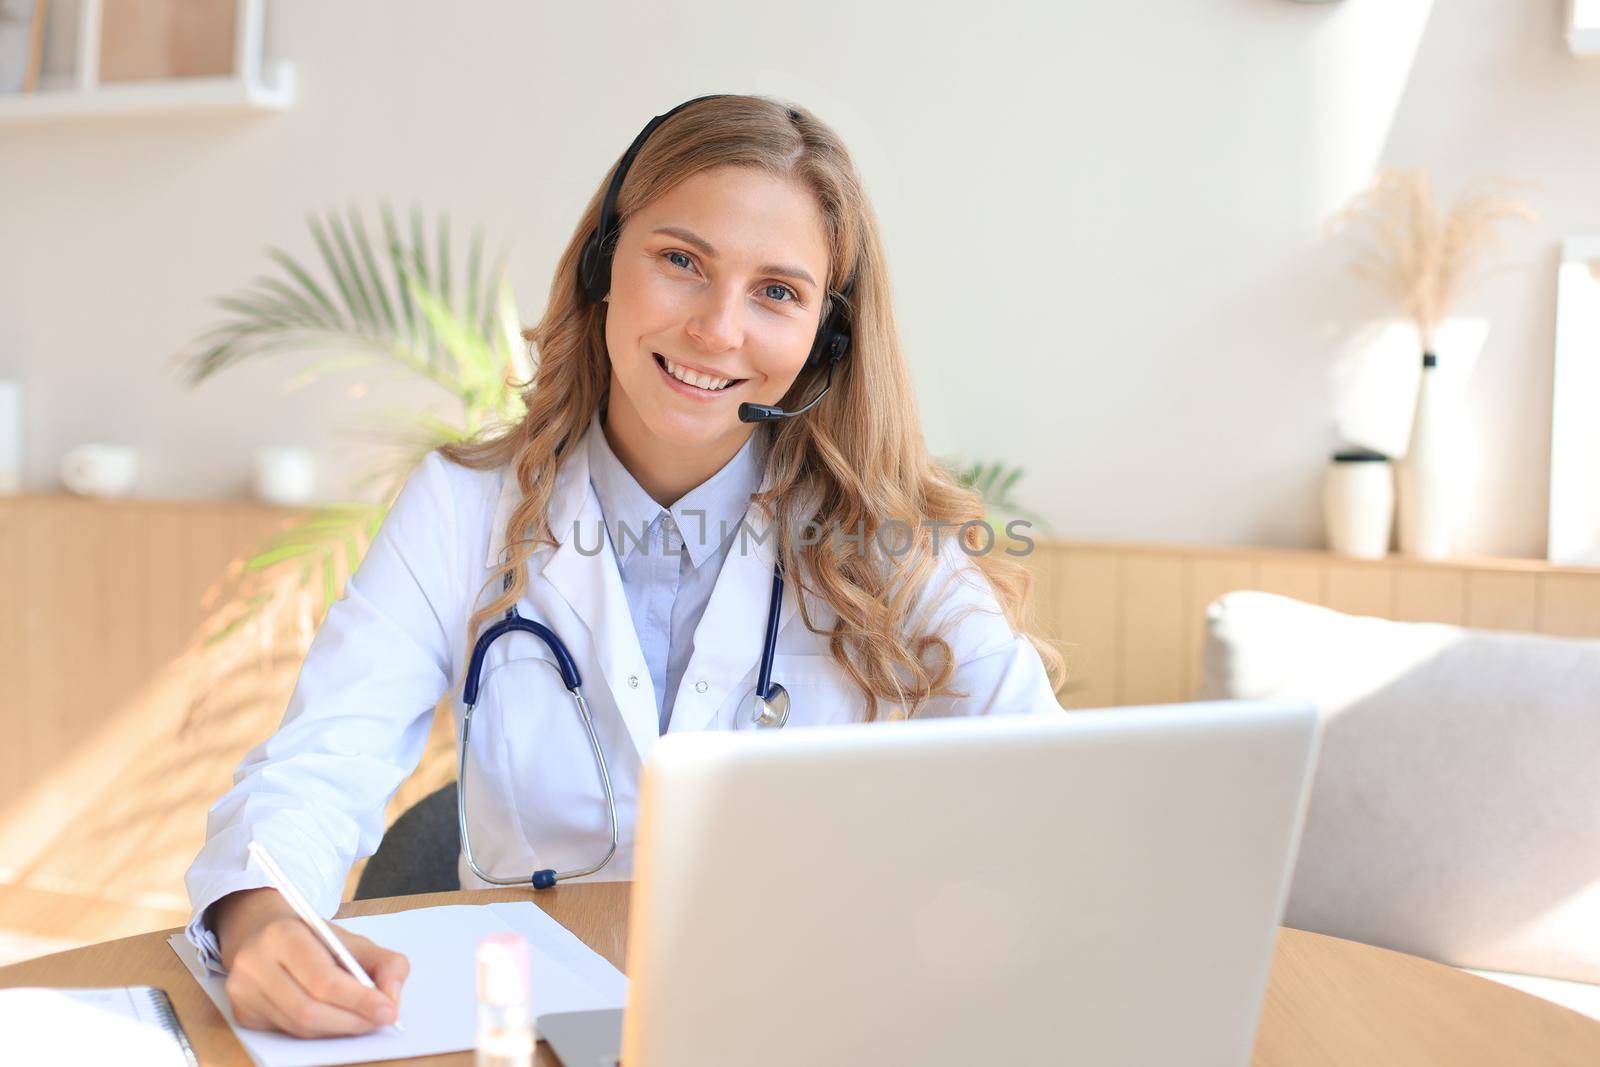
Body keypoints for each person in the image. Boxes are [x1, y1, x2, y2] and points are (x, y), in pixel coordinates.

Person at [183, 94, 1067, 1039]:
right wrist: (258, 908)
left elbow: (1060, 792)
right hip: (529, 1026)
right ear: (605, 265)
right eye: (682, 261)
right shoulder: (461, 506)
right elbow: (323, 760)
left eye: (777, 291)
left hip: (808, 1024)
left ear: (826, 337)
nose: (718, 329)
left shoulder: (888, 539)